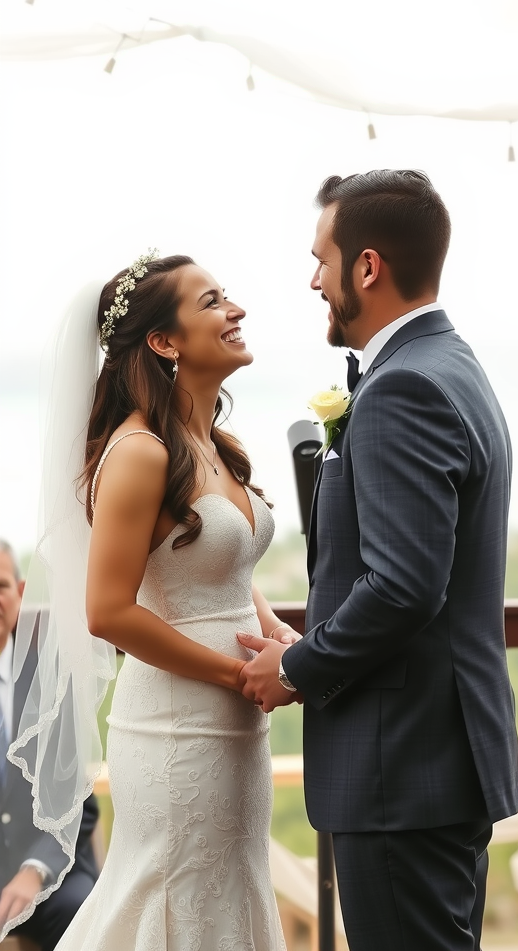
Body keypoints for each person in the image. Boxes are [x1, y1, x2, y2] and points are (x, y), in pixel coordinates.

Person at [238, 170, 518, 950]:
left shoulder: (404, 389)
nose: (313, 280)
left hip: (401, 765)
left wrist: (298, 668)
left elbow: (404, 585)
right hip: (433, 760)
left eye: (322, 260)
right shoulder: (452, 365)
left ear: (367, 267)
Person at [6, 253, 297, 949]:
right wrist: (237, 674)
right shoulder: (138, 450)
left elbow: (215, 565)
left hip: (236, 733)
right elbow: (108, 611)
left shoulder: (212, 445)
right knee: (173, 897)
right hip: (177, 731)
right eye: (213, 302)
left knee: (227, 891)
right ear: (165, 342)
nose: (237, 311)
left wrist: (276, 632)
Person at [0, 539, 99, 950]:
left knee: (81, 909)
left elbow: (78, 800)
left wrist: (34, 870)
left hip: (49, 873)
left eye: (0, 586)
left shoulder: (54, 684)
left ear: (20, 594)